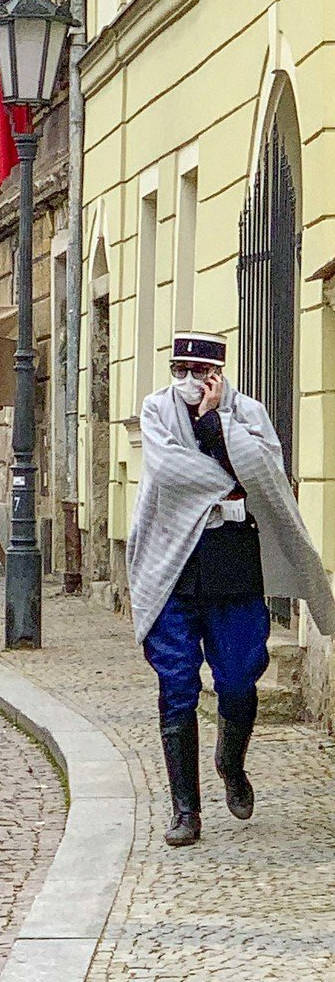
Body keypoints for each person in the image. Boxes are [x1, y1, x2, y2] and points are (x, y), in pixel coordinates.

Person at [129, 331, 335, 848]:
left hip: (233, 562)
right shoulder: (156, 410)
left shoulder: (249, 414)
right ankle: (185, 810)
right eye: (180, 370)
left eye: (200, 373)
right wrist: (234, 481)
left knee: (241, 675)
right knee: (176, 681)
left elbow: (267, 469)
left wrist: (218, 425)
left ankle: (231, 763)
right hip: (173, 565)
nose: (189, 382)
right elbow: (169, 471)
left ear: (218, 374)